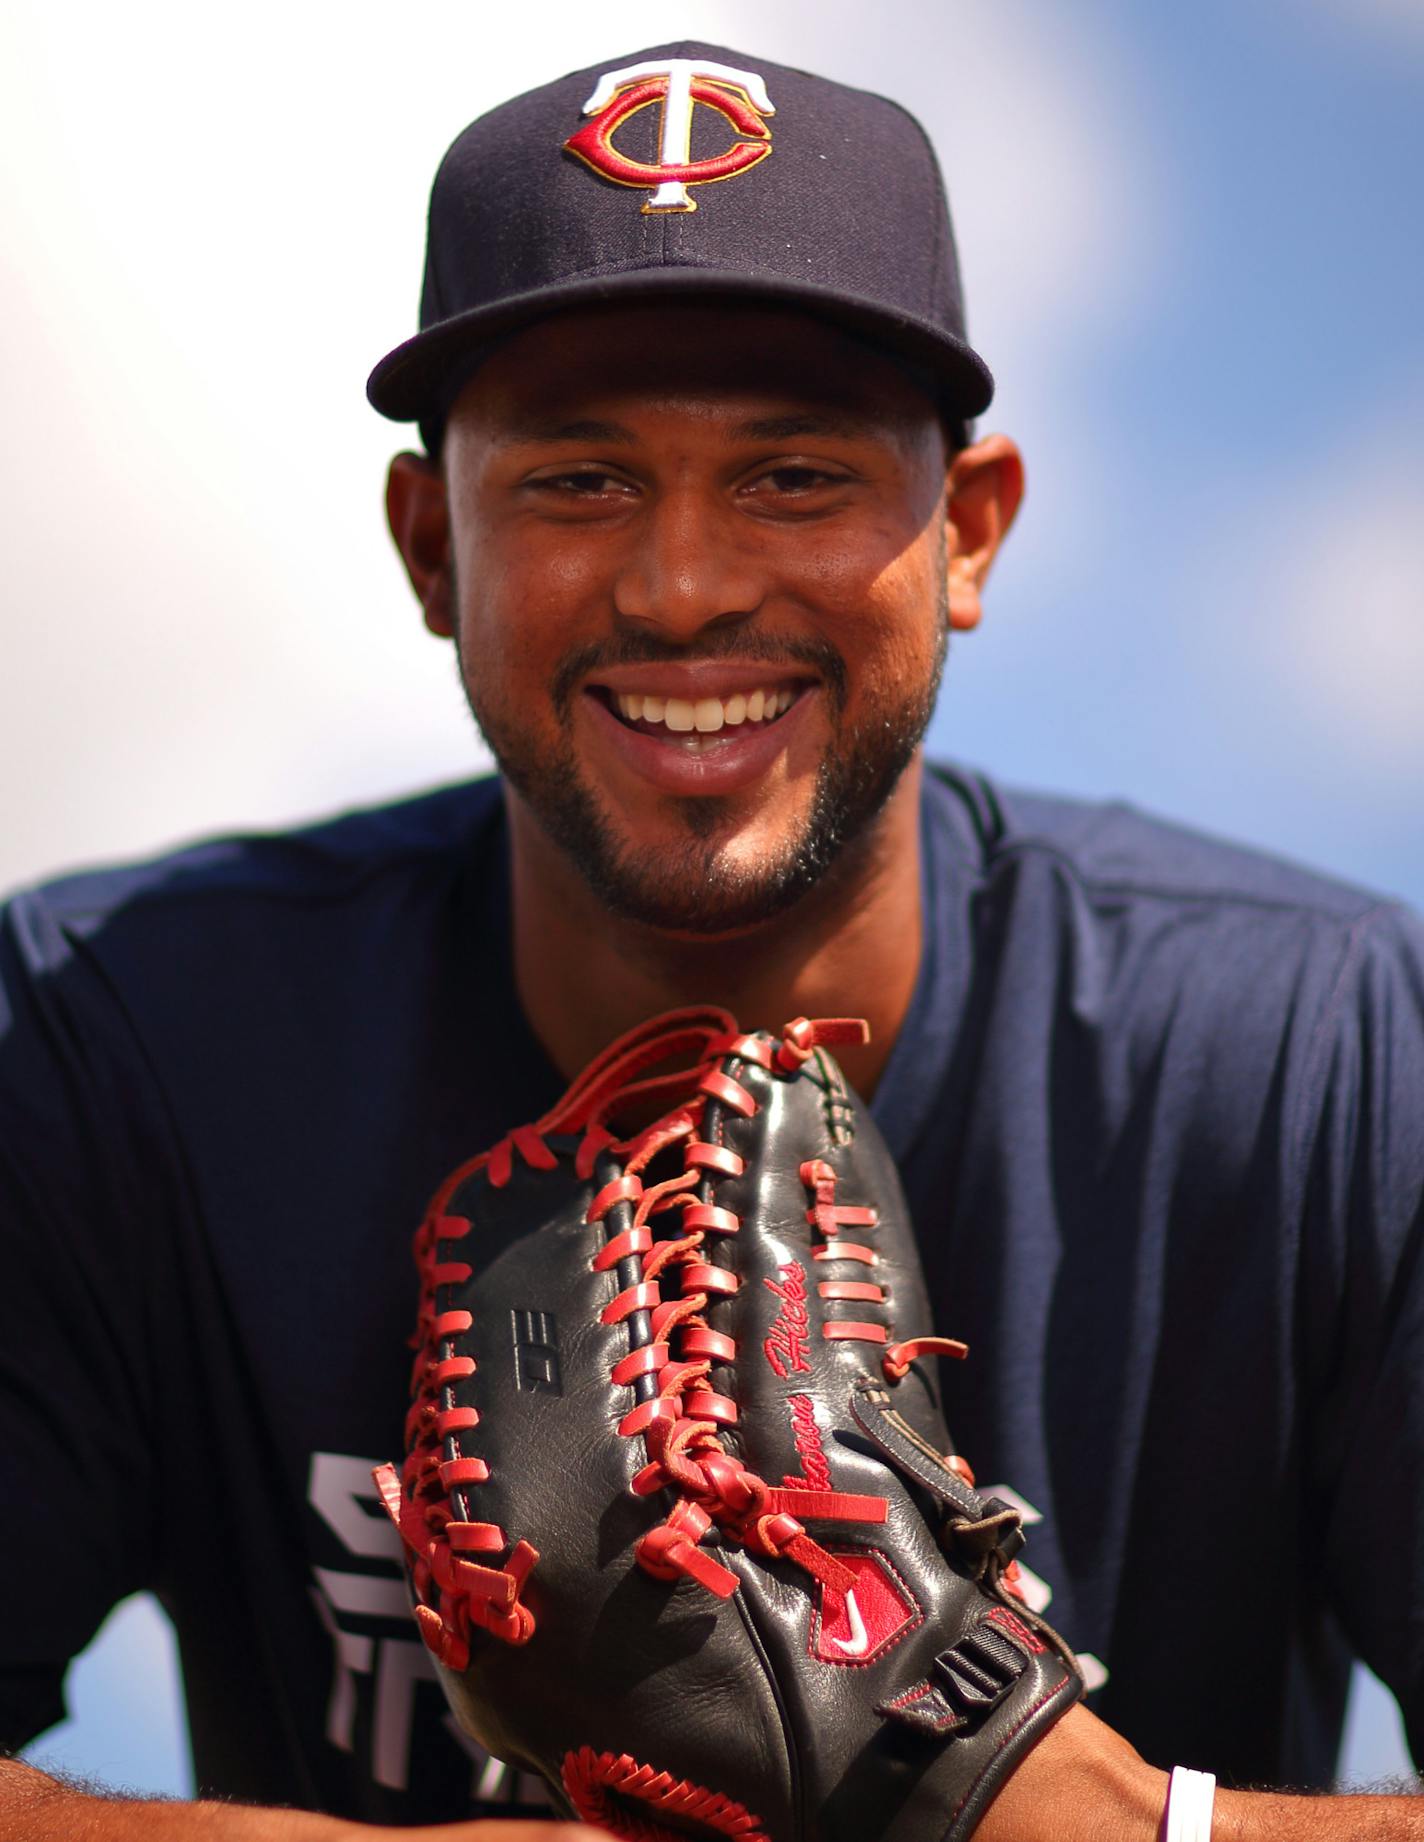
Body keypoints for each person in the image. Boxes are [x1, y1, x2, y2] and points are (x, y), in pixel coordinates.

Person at [1, 38, 1421, 1842]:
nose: (682, 584)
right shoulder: (112, 1035)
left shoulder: (1319, 1054)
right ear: (434, 547)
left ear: (967, 534)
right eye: (581, 481)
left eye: (796, 477)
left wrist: (1104, 1824)